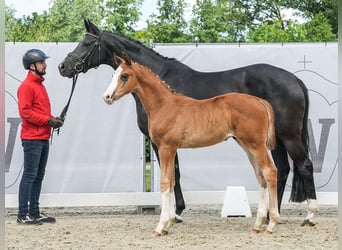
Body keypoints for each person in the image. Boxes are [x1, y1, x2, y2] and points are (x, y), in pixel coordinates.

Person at [16, 49, 64, 225]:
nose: (45, 65)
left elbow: (41, 112)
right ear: (32, 65)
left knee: (38, 175)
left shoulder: (39, 86)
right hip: (32, 138)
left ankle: (34, 212)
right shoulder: (27, 87)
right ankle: (22, 215)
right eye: (42, 62)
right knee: (30, 175)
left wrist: (53, 119)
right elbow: (25, 113)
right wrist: (48, 121)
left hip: (42, 137)